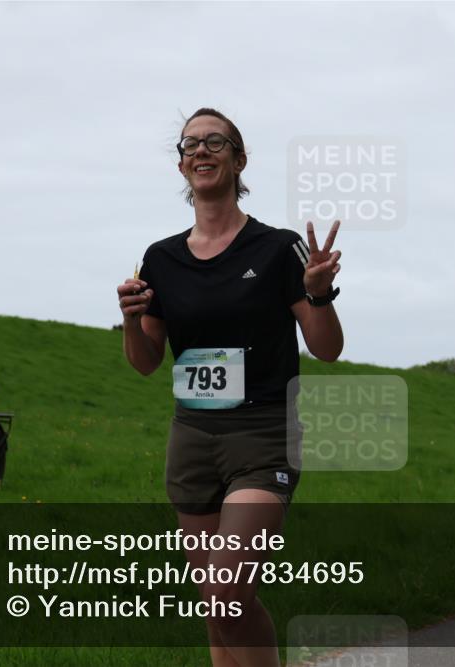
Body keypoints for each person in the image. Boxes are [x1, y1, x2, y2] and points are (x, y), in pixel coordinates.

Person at [117, 108, 343, 667]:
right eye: (190, 143)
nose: (201, 150)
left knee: (227, 594)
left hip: (264, 435)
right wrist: (128, 319)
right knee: (215, 608)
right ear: (180, 164)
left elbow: (327, 347)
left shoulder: (277, 248)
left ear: (239, 160)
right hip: (192, 437)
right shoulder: (161, 258)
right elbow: (146, 362)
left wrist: (316, 293)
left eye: (215, 141)